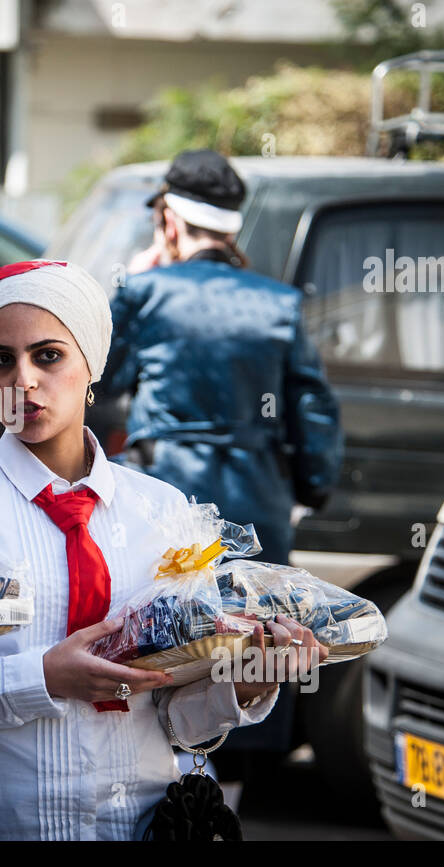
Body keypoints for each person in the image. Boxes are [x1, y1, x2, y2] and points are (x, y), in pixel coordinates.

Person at [0, 259, 327, 840]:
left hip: (139, 826)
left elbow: (175, 717)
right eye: (1, 360)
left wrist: (247, 680)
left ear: (91, 364)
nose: (23, 380)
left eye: (48, 355)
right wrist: (42, 678)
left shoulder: (164, 512)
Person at [97, 148, 343, 765]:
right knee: (255, 645)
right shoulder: (278, 303)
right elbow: (313, 412)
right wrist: (312, 488)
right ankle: (225, 800)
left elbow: (98, 379)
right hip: (259, 500)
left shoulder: (147, 293)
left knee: (170, 649)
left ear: (170, 222)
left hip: (166, 500)